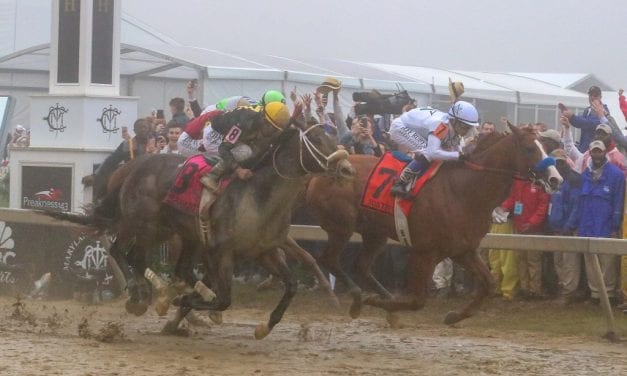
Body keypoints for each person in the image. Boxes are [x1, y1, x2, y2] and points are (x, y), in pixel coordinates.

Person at [565, 140, 625, 304]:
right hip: (587, 226)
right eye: (594, 151)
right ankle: (595, 294)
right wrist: (572, 224)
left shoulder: (616, 175)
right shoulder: (584, 175)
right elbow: (578, 203)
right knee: (591, 262)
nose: (597, 154)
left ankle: (608, 294)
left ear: (605, 152)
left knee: (607, 263)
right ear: (590, 153)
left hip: (606, 227)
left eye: (600, 151)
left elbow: (618, 202)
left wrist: (615, 226)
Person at [389, 101, 480, 198]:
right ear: (454, 120)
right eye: (464, 126)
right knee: (427, 153)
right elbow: (433, 152)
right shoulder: (441, 124)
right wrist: (458, 155)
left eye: (469, 127)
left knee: (440, 151)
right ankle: (400, 183)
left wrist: (460, 155)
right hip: (400, 127)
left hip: (414, 127)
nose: (466, 131)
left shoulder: (451, 125)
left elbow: (456, 149)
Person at [200, 102, 292, 192]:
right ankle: (211, 176)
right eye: (274, 129)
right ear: (265, 121)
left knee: (256, 149)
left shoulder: (260, 118)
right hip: (213, 133)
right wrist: (238, 170)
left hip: (230, 130)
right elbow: (223, 149)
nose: (274, 132)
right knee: (245, 151)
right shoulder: (243, 122)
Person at [498, 170, 550, 300]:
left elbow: (543, 205)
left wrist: (532, 223)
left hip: (534, 229)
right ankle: (524, 288)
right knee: (520, 259)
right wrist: (503, 208)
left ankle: (535, 289)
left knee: (533, 260)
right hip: (519, 226)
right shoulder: (518, 181)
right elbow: (513, 199)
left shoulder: (540, 183)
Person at [546, 149, 583, 304]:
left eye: (561, 161)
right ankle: (563, 288)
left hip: (568, 228)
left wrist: (569, 226)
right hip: (556, 227)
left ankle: (569, 292)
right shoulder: (553, 179)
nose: (559, 164)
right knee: (559, 261)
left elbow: (576, 206)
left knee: (569, 262)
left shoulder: (573, 179)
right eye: (556, 162)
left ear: (566, 161)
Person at [93, 118, 151, 200]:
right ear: (135, 130)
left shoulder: (156, 143)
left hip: (151, 177)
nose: (143, 129)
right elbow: (112, 160)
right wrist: (95, 174)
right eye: (140, 127)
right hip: (130, 178)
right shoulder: (127, 145)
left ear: (149, 129)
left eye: (145, 127)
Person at [560, 85, 610, 152]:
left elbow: (591, 123)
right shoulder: (587, 110)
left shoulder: (604, 111)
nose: (592, 98)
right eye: (590, 95)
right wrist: (569, 116)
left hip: (596, 150)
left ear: (600, 97)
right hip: (584, 149)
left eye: (595, 96)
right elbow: (581, 122)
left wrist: (572, 117)